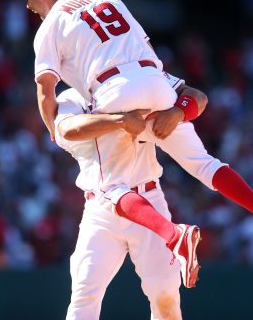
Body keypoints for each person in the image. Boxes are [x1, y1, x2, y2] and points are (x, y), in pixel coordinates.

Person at [12, 0, 253, 274]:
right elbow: (194, 94)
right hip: (155, 79)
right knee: (205, 164)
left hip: (113, 91)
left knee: (110, 188)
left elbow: (45, 89)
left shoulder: (51, 24)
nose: (27, 5)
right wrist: (177, 112)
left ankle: (174, 236)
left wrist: (55, 132)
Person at [56, 72, 198, 319]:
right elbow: (67, 130)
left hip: (148, 199)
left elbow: (196, 96)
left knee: (166, 296)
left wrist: (177, 112)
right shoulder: (73, 95)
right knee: (84, 294)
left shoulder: (138, 75)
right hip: (101, 209)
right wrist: (120, 120)